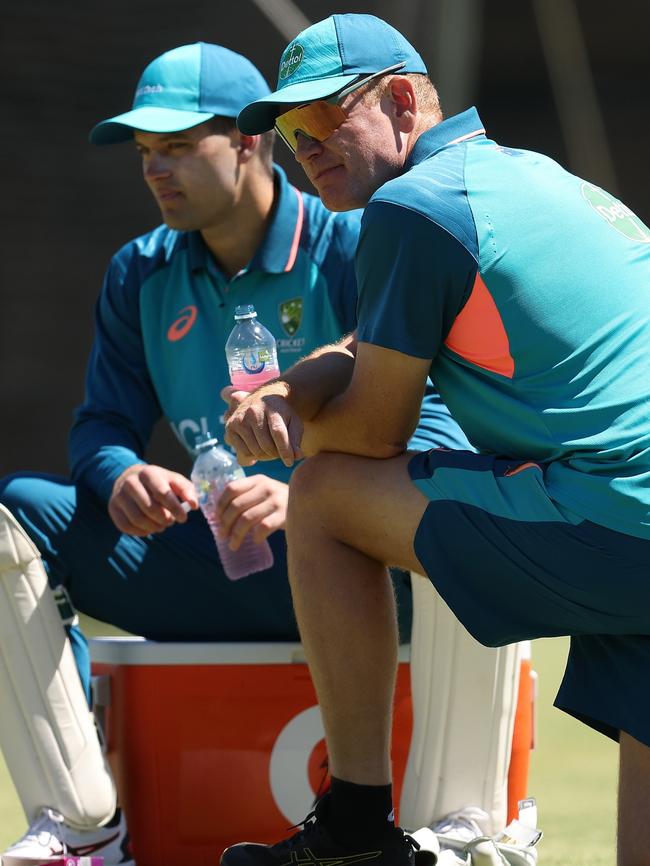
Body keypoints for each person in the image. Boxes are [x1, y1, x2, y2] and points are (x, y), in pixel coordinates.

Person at [0, 39, 527, 866]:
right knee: (15, 516)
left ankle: (458, 836)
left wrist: (312, 499)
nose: (155, 170)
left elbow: (441, 417)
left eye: (177, 147)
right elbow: (99, 426)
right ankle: (80, 826)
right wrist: (121, 476)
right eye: (145, 153)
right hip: (218, 567)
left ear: (249, 141)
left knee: (474, 494)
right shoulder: (138, 272)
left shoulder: (355, 241)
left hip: (369, 566)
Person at [223, 12, 650, 866]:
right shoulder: (521, 175)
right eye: (292, 132)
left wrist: (285, 432)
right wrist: (288, 384)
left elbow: (373, 436)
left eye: (324, 118)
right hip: (630, 512)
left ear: (405, 101)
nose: (307, 147)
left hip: (621, 522)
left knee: (326, 495)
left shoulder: (414, 208)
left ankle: (354, 830)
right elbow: (366, 347)